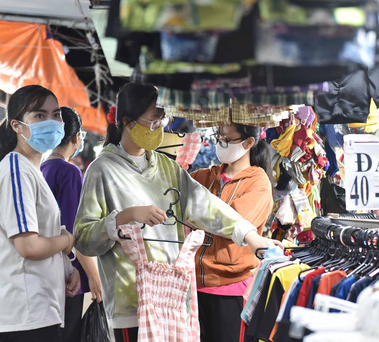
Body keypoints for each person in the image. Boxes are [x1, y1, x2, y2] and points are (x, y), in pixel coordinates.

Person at [74, 82, 280, 342]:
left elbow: (205, 204)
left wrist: (249, 236)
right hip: (131, 302)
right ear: (128, 122)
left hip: (173, 298)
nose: (161, 128)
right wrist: (125, 216)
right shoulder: (101, 169)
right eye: (154, 121)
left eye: (163, 120)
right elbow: (82, 237)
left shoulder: (165, 166)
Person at [0, 85, 80, 342]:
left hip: (38, 308)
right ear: (17, 125)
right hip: (24, 312)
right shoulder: (16, 170)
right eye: (39, 116)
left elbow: (42, 235)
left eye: (56, 114)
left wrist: (68, 267)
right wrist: (68, 240)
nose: (53, 122)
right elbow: (29, 246)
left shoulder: (32, 168)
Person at [190, 124, 274, 342]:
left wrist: (195, 214)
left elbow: (235, 221)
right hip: (193, 286)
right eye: (219, 137)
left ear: (248, 143)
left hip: (231, 289)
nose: (220, 143)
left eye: (227, 139)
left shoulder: (258, 182)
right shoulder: (205, 177)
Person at [41, 107, 103, 342]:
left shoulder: (41, 168)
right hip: (68, 275)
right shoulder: (69, 172)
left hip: (44, 267)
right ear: (77, 137)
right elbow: (74, 231)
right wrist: (93, 275)